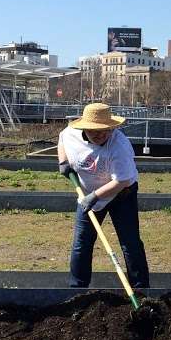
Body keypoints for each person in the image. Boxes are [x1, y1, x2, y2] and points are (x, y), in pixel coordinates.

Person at [58, 102, 148, 289]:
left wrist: (95, 197)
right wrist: (63, 161)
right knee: (81, 243)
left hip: (122, 194)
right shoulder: (71, 134)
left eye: (105, 131)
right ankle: (77, 289)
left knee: (130, 243)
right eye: (95, 131)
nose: (101, 135)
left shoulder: (119, 146)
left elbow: (121, 181)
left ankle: (141, 289)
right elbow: (61, 139)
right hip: (88, 195)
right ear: (85, 128)